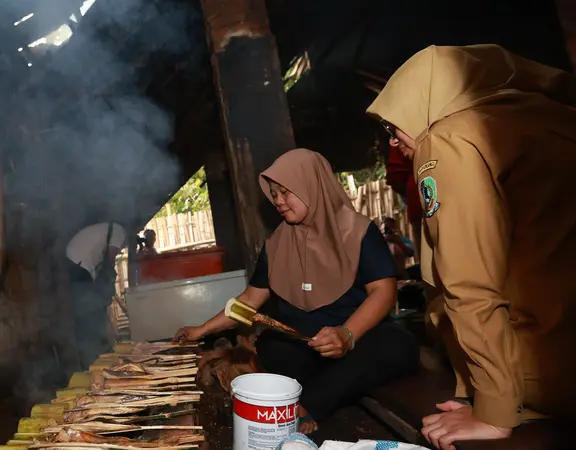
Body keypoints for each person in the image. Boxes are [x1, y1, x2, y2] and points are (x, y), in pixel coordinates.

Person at [366, 44, 576, 449]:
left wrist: (494, 411)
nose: (393, 143)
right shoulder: (543, 117)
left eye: (393, 128)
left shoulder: (449, 139)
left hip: (547, 372)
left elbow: (469, 284)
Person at [174, 149, 419, 434]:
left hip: (358, 337)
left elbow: (384, 291)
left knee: (393, 345)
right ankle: (303, 405)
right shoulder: (276, 244)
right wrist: (201, 330)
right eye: (274, 194)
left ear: (311, 186)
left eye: (285, 192)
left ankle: (302, 408)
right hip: (306, 343)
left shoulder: (359, 232)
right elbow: (249, 301)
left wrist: (347, 334)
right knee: (274, 346)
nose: (278, 201)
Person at [66, 222, 127, 368]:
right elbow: (110, 261)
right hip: (79, 264)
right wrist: (107, 285)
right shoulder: (120, 231)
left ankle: (91, 356)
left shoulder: (107, 230)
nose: (121, 250)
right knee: (89, 312)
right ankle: (93, 359)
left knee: (88, 310)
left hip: (74, 260)